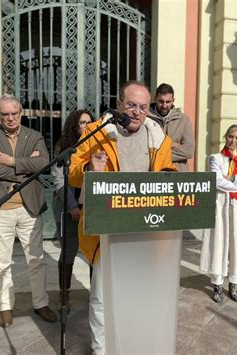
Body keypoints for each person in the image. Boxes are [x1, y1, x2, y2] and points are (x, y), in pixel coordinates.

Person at [68, 81, 176, 355]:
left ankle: (134, 343)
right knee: (103, 298)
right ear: (119, 104)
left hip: (145, 230)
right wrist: (89, 168)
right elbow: (73, 173)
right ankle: (102, 349)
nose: (138, 112)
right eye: (131, 105)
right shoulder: (96, 132)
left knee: (139, 293)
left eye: (143, 106)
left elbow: (167, 170)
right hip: (108, 228)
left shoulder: (158, 136)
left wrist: (171, 176)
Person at [0, 94, 56, 328]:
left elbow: (44, 164)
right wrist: (26, 167)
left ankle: (41, 303)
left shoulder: (34, 136)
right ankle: (4, 307)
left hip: (29, 207)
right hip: (0, 207)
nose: (10, 118)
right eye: (5, 114)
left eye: (14, 113)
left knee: (36, 259)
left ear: (21, 113)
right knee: (0, 262)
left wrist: (10, 160)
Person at [200, 124, 237, 303]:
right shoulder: (215, 158)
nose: (233, 140)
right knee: (219, 243)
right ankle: (217, 284)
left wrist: (231, 178)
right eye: (231, 136)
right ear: (226, 137)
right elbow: (216, 180)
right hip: (221, 206)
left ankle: (234, 284)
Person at [52, 109, 93, 310]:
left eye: (89, 122)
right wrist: (72, 205)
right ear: (74, 125)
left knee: (95, 253)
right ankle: (64, 295)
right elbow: (59, 180)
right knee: (68, 253)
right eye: (82, 122)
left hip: (91, 208)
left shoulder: (96, 146)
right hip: (69, 207)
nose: (86, 126)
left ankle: (96, 293)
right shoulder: (64, 147)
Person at [148, 83, 195, 171]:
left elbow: (189, 151)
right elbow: (144, 151)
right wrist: (174, 145)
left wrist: (158, 155)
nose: (164, 106)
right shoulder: (146, 119)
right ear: (155, 99)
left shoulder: (183, 120)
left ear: (173, 100)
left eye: (168, 102)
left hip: (178, 174)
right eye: (161, 101)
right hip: (153, 174)